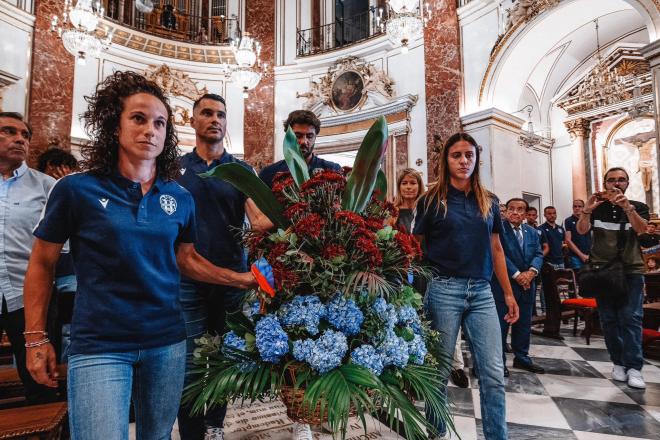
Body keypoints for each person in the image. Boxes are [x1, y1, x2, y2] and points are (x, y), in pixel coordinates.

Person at [23, 71, 255, 439]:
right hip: (101, 342)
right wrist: (36, 338)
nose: (151, 130)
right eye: (138, 118)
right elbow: (42, 262)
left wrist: (242, 278)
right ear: (114, 125)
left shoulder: (178, 197)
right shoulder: (76, 189)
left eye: (160, 123)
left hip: (166, 341)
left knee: (158, 436)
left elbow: (187, 259)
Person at [176, 93, 271, 440]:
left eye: (220, 114)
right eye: (207, 113)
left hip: (234, 282)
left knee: (223, 362)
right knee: (190, 365)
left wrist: (295, 216)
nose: (214, 119)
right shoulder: (176, 169)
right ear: (193, 120)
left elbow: (259, 220)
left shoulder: (239, 170)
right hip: (188, 281)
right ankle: (190, 434)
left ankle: (214, 427)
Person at [414, 133, 519, 440]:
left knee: (493, 375)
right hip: (444, 289)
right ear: (445, 161)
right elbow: (416, 247)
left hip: (483, 292)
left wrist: (509, 293)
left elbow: (497, 249)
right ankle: (436, 433)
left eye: (469, 155)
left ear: (477, 159)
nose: (463, 161)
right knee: (439, 373)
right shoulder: (431, 201)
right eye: (456, 155)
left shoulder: (489, 200)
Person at [390, 168, 469, 388]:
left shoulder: (430, 208)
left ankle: (455, 364)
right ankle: (411, 362)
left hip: (430, 267)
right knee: (409, 314)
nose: (408, 187)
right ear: (399, 187)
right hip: (403, 270)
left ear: (419, 185)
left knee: (442, 313)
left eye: (413, 183)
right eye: (404, 183)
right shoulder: (393, 212)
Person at [0, 112, 58, 404]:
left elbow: (63, 246)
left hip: (28, 295)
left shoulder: (46, 186)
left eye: (25, 135)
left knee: (39, 379)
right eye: (9, 131)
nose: (20, 139)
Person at [577, 167, 649, 389]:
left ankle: (634, 367)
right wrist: (587, 210)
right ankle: (618, 363)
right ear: (605, 183)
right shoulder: (597, 208)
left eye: (621, 180)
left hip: (631, 269)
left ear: (627, 183)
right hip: (603, 270)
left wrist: (628, 209)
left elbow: (643, 230)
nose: (616, 184)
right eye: (611, 180)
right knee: (609, 319)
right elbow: (581, 231)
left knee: (631, 318)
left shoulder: (639, 207)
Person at [491, 198, 544, 377]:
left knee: (524, 323)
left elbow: (538, 253)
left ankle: (522, 357)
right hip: (505, 283)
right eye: (511, 209)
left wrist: (531, 272)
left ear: (525, 214)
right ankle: (499, 361)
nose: (515, 212)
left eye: (520, 209)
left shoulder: (532, 232)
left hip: (528, 284)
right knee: (502, 323)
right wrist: (517, 274)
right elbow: (499, 254)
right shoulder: (499, 229)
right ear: (505, 212)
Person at [36, 148, 79, 360]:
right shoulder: (34, 191)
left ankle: (65, 372)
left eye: (65, 171)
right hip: (38, 267)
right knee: (39, 325)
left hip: (69, 269)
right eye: (52, 170)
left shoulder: (77, 190)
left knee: (69, 326)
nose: (58, 176)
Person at [258, 110, 341, 188]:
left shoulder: (333, 170)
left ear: (315, 137)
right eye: (298, 136)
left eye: (309, 136)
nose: (304, 141)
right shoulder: (269, 173)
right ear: (288, 136)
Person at [564, 199, 592, 270]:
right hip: (575, 257)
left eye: (579, 206)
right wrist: (581, 255)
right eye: (575, 206)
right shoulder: (568, 221)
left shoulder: (588, 220)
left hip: (589, 255)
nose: (577, 208)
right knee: (578, 278)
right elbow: (568, 240)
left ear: (583, 207)